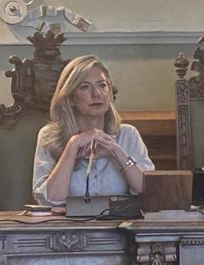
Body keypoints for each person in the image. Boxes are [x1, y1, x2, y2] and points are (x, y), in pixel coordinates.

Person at [32, 55, 154, 205]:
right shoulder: (49, 136)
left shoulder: (128, 135)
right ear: (70, 99)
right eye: (85, 87)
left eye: (102, 85)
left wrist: (117, 151)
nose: (96, 94)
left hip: (120, 226)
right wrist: (72, 145)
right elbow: (49, 201)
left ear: (109, 92)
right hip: (68, 227)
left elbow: (149, 193)